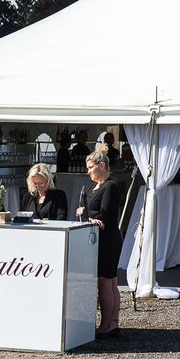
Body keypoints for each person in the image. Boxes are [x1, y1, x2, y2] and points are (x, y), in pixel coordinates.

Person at [75, 144, 121, 338]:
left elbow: (105, 214)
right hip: (99, 240)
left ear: (102, 165)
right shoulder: (95, 187)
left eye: (91, 168)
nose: (89, 172)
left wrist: (85, 213)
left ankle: (107, 325)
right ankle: (111, 323)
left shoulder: (110, 186)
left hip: (108, 239)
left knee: (106, 282)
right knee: (109, 282)